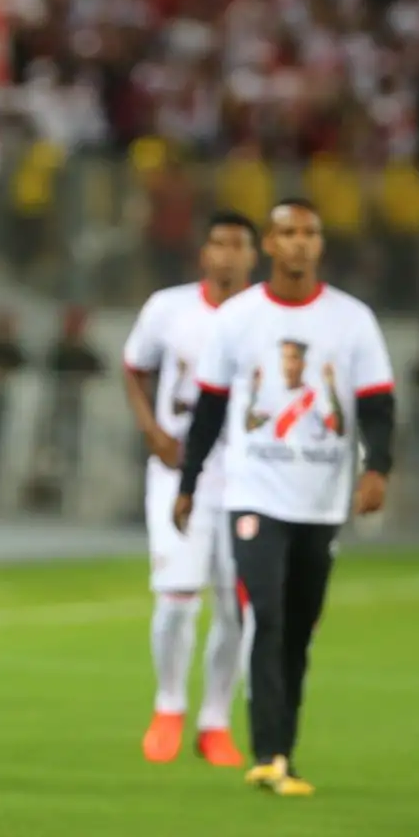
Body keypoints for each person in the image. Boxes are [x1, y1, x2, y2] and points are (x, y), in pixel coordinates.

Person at [174, 199, 395, 796]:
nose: (298, 243)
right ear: (268, 245)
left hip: (320, 500)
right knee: (263, 615)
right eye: (287, 233)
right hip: (253, 495)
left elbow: (376, 404)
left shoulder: (352, 321)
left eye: (310, 233)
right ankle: (267, 752)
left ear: (320, 245)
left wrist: (378, 470)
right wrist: (190, 483)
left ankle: (284, 751)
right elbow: (212, 408)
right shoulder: (239, 318)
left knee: (298, 628)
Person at [122, 211, 259, 768]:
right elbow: (133, 368)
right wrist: (151, 431)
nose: (227, 254)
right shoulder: (167, 308)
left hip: (247, 477)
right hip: (178, 472)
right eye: (218, 243)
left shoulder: (263, 318)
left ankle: (215, 721)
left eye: (238, 245)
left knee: (234, 604)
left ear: (254, 256)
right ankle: (169, 704)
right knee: (177, 598)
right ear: (203, 253)